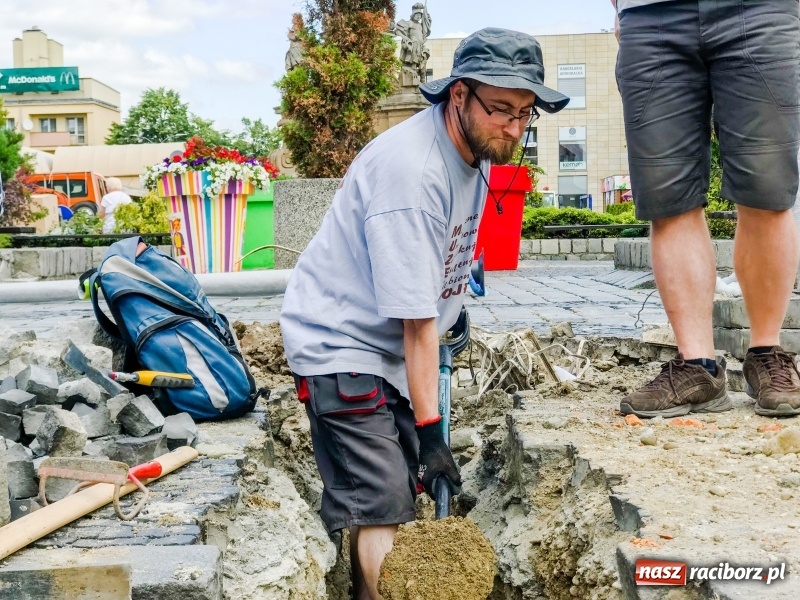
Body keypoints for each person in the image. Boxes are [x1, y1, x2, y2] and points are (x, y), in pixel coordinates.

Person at [279, 28, 568, 600]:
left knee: (400, 490)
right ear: (458, 95)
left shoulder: (476, 152)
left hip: (392, 347)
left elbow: (442, 271)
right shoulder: (411, 174)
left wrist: (452, 304)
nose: (513, 128)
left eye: (525, 114)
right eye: (501, 110)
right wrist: (434, 436)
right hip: (341, 346)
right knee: (384, 496)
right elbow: (415, 327)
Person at [612, 0, 800, 418]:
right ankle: (697, 367)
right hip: (651, 14)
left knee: (766, 187)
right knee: (667, 197)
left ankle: (767, 353)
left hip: (762, 9)